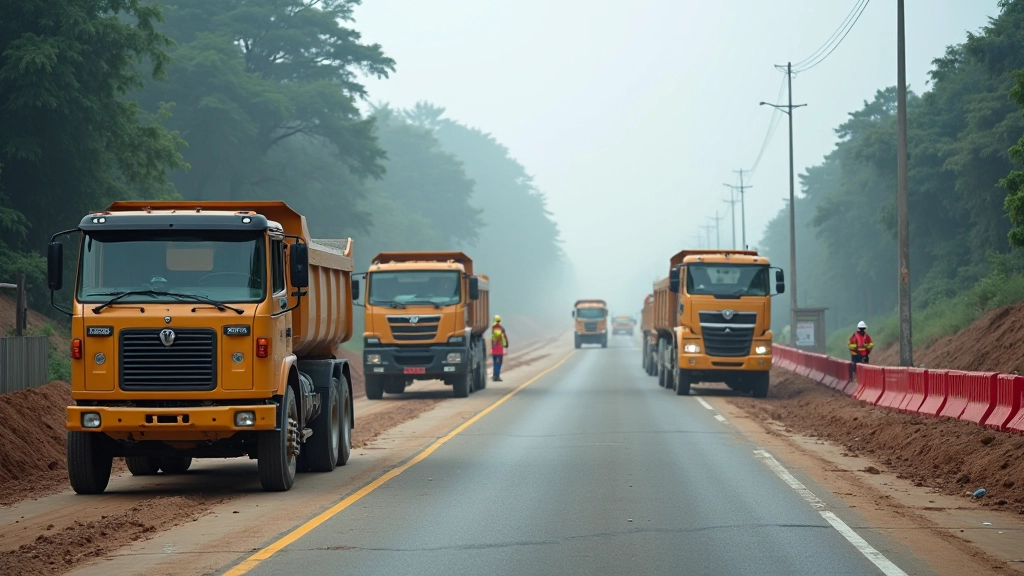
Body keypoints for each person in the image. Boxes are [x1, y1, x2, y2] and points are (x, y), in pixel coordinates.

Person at [491, 315, 509, 382]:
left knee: (495, 362)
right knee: (498, 363)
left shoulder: (493, 328)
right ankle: (496, 376)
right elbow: (503, 337)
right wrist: (506, 344)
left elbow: (492, 339)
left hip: (494, 349)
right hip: (499, 349)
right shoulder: (501, 328)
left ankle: (494, 376)